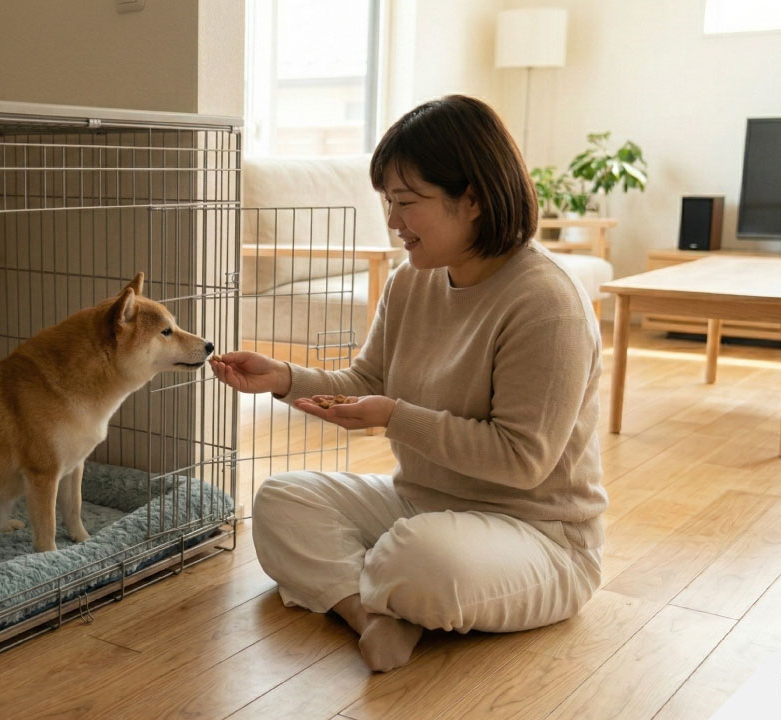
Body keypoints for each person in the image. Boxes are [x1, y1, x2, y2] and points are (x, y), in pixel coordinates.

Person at [210, 95, 607, 673]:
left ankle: (376, 583)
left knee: (421, 558)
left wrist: (395, 416)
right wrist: (285, 379)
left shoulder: (547, 304)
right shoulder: (411, 281)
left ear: (471, 198)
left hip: (539, 536)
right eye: (387, 203)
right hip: (420, 503)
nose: (392, 222)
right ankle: (369, 615)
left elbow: (523, 460)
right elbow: (367, 381)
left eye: (405, 203)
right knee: (280, 499)